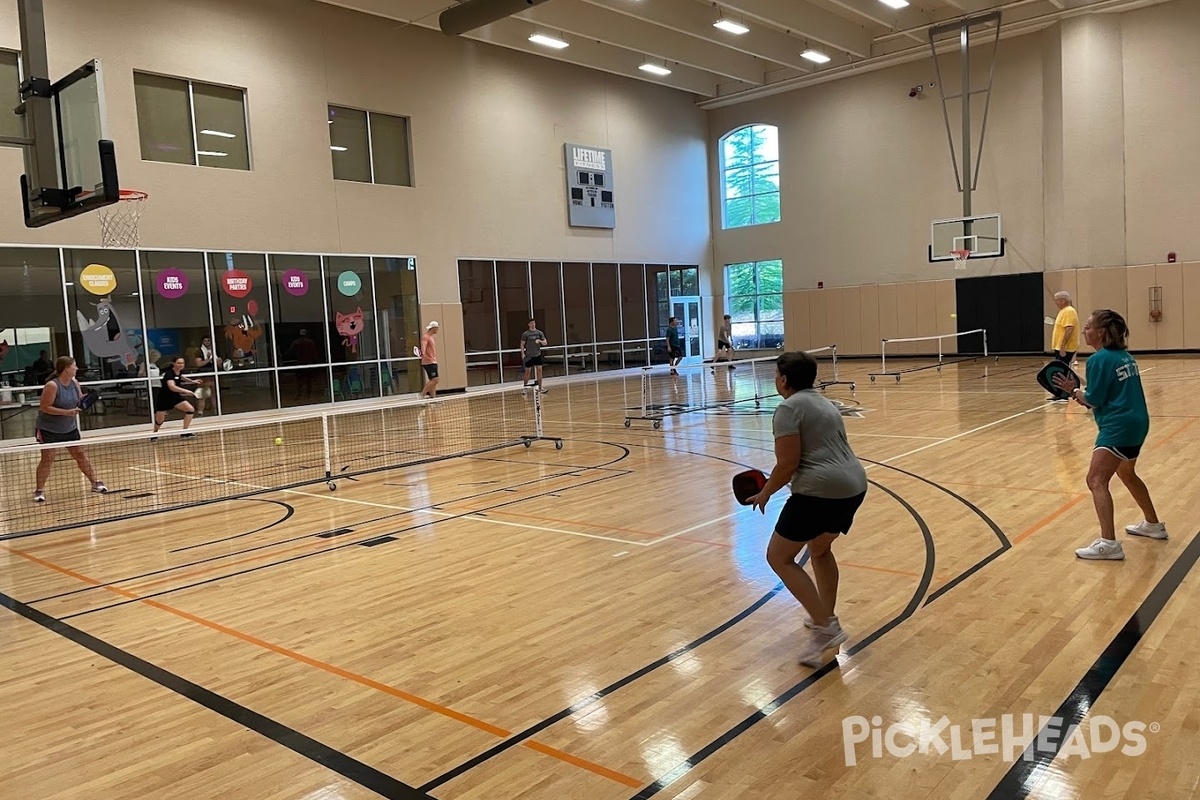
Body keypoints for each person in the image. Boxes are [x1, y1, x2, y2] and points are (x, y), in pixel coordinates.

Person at [747, 351, 868, 667]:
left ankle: (825, 629)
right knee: (819, 549)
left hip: (820, 493)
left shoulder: (788, 409)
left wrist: (765, 493)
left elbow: (788, 464)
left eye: (776, 374)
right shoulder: (825, 403)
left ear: (784, 380)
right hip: (853, 486)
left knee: (778, 557)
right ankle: (824, 617)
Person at [1052, 309, 1167, 560]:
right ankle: (1153, 525)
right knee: (1126, 472)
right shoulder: (1125, 357)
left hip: (1118, 426)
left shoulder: (1098, 360)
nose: (1085, 331)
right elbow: (1105, 395)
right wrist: (1080, 392)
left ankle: (1109, 544)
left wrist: (1073, 390)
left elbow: (1093, 400)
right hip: (1138, 422)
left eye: (1088, 327)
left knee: (1095, 480)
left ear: (1101, 332)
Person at [33, 356, 107, 503]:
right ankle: (39, 490)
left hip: (69, 427)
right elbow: (44, 407)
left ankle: (95, 482)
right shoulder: (52, 386)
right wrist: (66, 412)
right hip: (49, 429)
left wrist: (89, 398)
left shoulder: (74, 382)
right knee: (47, 459)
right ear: (66, 368)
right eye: (74, 366)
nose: (77, 368)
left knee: (80, 454)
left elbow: (79, 399)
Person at [152, 355, 200, 439]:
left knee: (190, 409)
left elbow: (181, 377)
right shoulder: (169, 373)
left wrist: (192, 381)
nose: (181, 365)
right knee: (160, 420)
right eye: (178, 363)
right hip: (164, 398)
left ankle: (184, 432)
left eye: (182, 363)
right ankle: (154, 434)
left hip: (175, 397)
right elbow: (172, 387)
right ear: (173, 363)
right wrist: (186, 391)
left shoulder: (178, 371)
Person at [1049, 291, 1080, 400]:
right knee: (1061, 369)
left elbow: (1069, 329)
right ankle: (1062, 393)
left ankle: (1063, 393)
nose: (1056, 302)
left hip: (1065, 347)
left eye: (1057, 300)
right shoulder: (1063, 311)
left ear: (1063, 300)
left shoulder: (1069, 311)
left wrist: (1063, 346)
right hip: (1060, 347)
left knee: (1061, 370)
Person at [521, 318, 549, 394]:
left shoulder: (539, 333)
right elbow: (522, 344)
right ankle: (525, 388)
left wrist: (540, 341)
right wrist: (522, 353)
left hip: (537, 355)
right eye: (531, 323)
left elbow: (545, 342)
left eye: (534, 323)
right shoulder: (525, 334)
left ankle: (540, 388)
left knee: (539, 371)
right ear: (529, 324)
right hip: (529, 356)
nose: (533, 324)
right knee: (527, 372)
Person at [419, 321, 440, 399]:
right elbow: (423, 346)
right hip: (429, 362)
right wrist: (423, 353)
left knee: (432, 381)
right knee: (435, 379)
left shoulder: (431, 337)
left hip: (433, 361)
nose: (438, 329)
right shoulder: (426, 337)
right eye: (437, 328)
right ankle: (421, 395)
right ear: (433, 328)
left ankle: (433, 399)